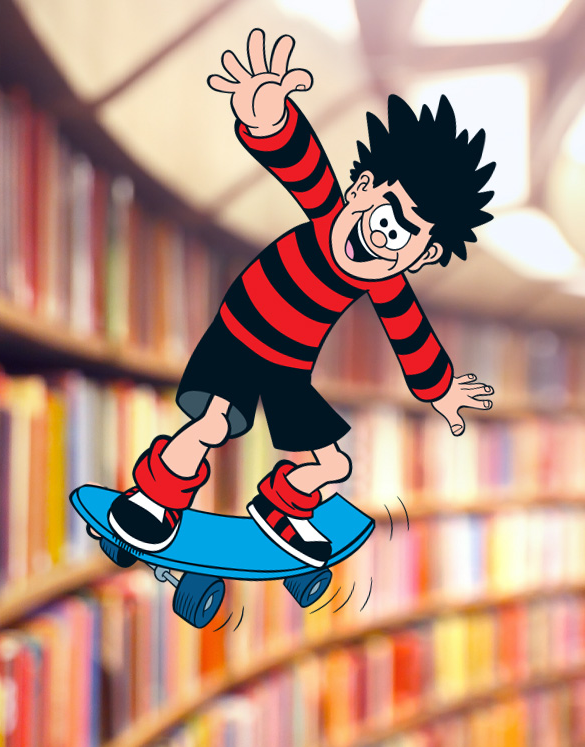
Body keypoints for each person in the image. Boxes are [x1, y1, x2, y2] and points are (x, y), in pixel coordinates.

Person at [109, 29, 497, 567]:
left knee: (333, 465)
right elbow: (298, 157)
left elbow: (411, 336)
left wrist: (441, 388)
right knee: (212, 424)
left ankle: (281, 507)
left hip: (289, 368)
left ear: (421, 257)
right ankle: (153, 500)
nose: (386, 237)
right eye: (387, 216)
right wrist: (269, 118)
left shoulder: (385, 281)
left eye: (407, 236)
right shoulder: (325, 207)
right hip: (238, 340)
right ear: (361, 189)